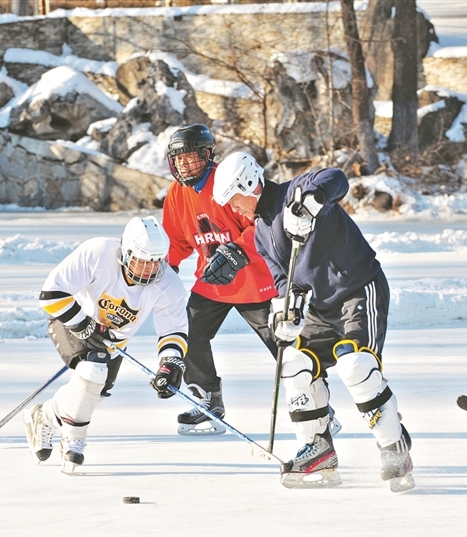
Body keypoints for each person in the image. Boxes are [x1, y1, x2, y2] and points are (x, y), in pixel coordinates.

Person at [212, 151, 414, 492]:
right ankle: (319, 448)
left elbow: (336, 178)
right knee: (294, 363)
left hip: (357, 289)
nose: (234, 208)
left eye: (234, 199)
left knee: (356, 366)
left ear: (249, 184)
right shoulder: (261, 231)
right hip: (319, 308)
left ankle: (395, 448)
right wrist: (285, 310)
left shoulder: (296, 191)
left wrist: (308, 204)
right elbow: (282, 278)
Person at [26, 216, 189, 473]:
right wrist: (83, 324)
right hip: (71, 319)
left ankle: (44, 415)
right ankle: (75, 441)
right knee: (92, 372)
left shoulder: (169, 285)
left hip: (113, 343)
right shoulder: (98, 252)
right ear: (126, 253)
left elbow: (173, 331)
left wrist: (169, 365)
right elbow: (51, 294)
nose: (150, 269)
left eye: (157, 262)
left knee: (92, 393)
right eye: (143, 261)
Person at [162, 124, 278, 435]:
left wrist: (236, 251)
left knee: (282, 345)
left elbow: (262, 223)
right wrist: (162, 269)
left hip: (255, 280)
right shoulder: (176, 194)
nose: (184, 165)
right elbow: (175, 241)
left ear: (207, 154)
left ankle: (315, 402)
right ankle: (207, 400)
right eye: (179, 160)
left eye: (190, 158)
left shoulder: (227, 181)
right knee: (188, 331)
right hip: (212, 281)